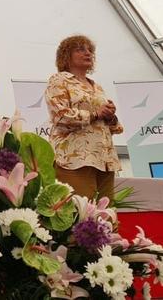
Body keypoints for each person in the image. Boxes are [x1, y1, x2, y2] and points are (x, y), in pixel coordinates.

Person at [45, 34, 124, 200]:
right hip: (75, 158)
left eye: (90, 50)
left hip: (104, 159)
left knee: (106, 215)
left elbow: (112, 126)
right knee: (80, 214)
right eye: (80, 49)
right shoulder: (59, 80)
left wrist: (110, 116)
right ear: (66, 56)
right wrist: (96, 113)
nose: (87, 53)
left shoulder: (97, 86)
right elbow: (60, 116)